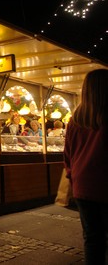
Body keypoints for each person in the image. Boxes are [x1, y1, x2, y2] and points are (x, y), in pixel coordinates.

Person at [63, 69, 108, 265]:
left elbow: (67, 155)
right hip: (105, 184)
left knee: (92, 238)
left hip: (82, 186)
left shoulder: (75, 120)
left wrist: (73, 176)